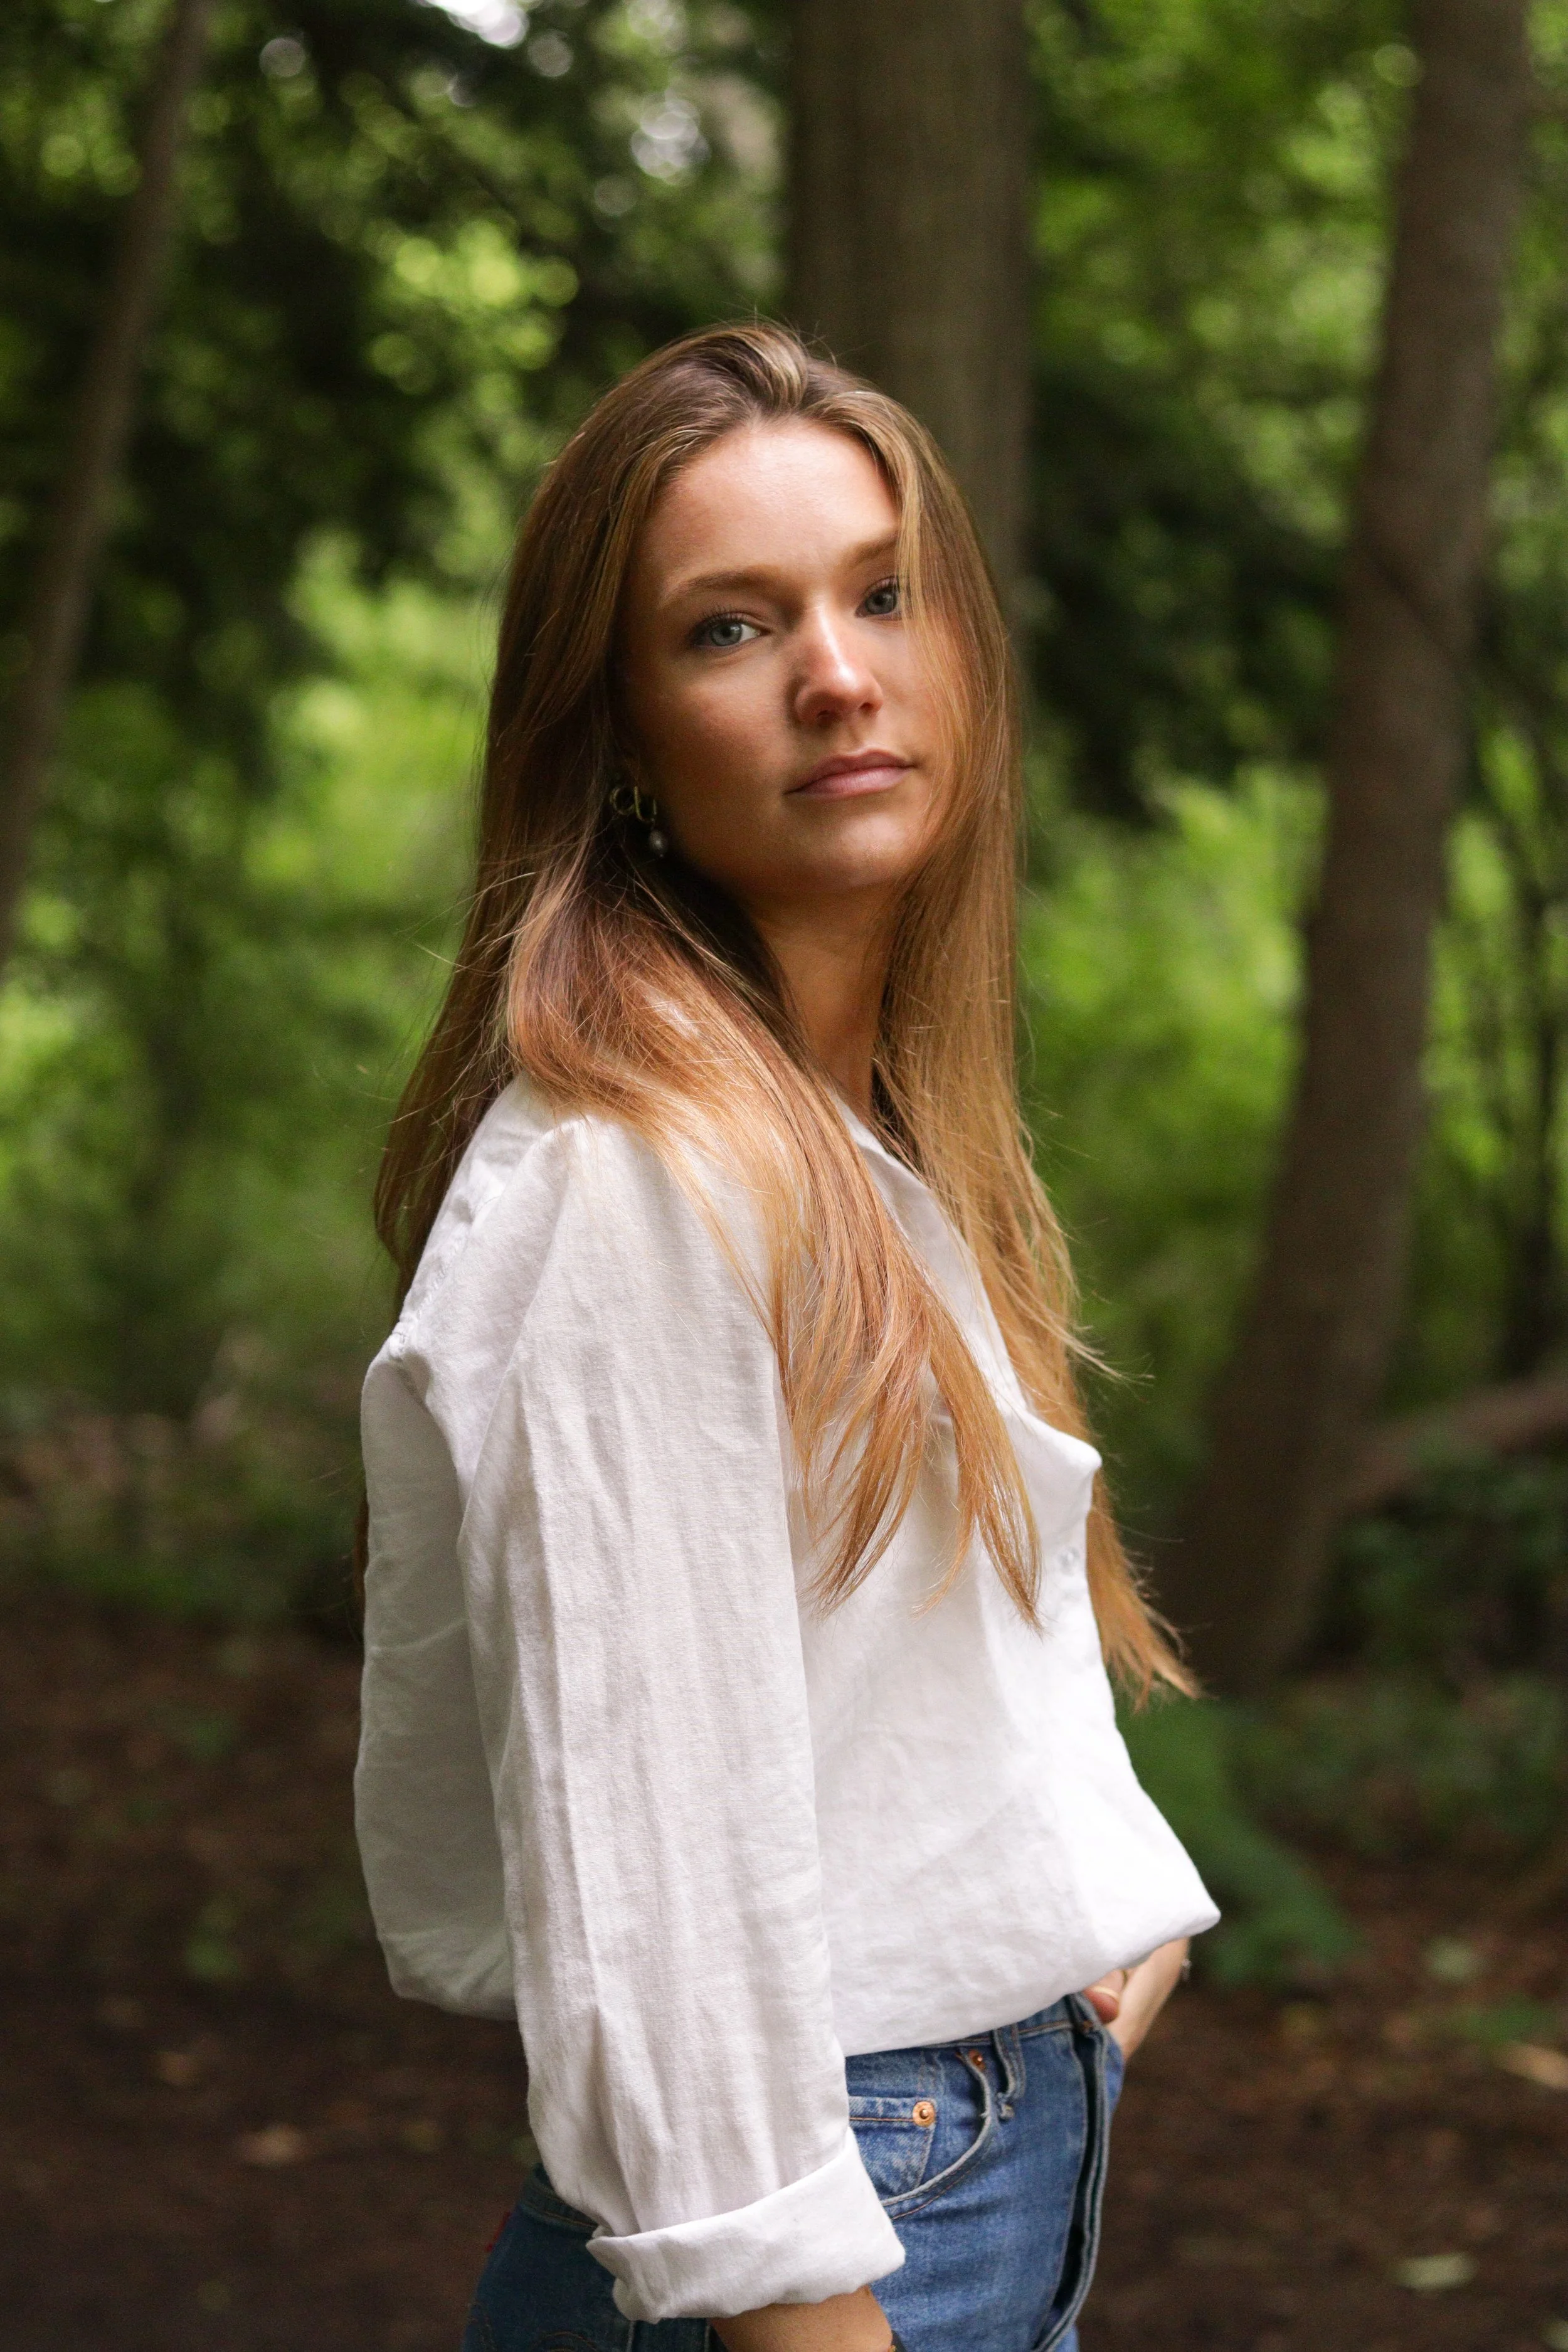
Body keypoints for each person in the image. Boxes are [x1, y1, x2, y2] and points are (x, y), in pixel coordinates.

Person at [354, 322, 1217, 2352]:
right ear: (621, 738)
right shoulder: (629, 1183)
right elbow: (647, 1900)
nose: (837, 669)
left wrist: (1092, 1910)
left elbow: (900, 1663)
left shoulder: (845, 1127)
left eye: (879, 591)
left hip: (965, 2146)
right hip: (821, 2251)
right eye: (731, 627)